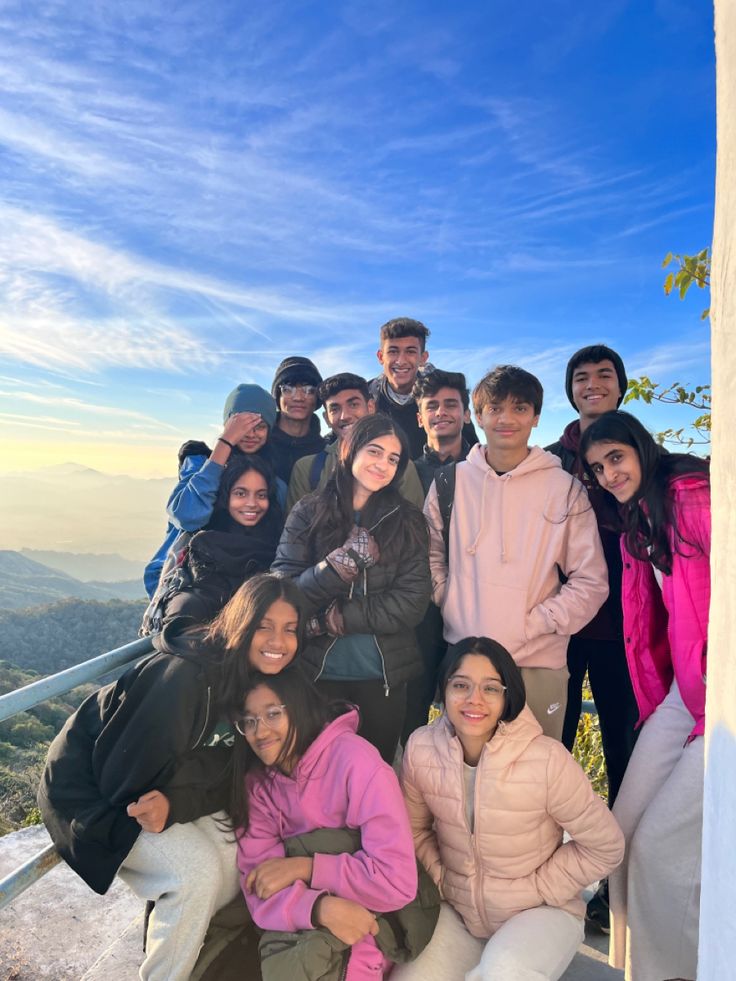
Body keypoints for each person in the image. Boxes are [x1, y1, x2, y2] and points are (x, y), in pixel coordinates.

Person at [38, 574, 304, 981]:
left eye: (290, 629)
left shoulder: (252, 679)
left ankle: (192, 956)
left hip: (156, 787)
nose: (278, 641)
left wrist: (177, 802)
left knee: (238, 856)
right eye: (264, 625)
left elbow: (233, 766)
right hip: (91, 794)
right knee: (193, 876)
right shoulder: (184, 677)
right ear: (241, 622)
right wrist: (171, 798)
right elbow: (122, 782)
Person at [392, 637, 624, 981]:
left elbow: (606, 846)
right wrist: (443, 877)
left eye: (490, 688)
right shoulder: (422, 749)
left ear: (508, 695)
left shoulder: (545, 759)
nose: (474, 699)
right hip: (459, 912)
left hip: (539, 913)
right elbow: (413, 829)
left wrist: (539, 888)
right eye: (460, 685)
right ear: (443, 690)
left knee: (505, 973)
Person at [581, 410, 709, 981]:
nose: (608, 473)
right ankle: (637, 969)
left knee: (661, 851)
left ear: (639, 447)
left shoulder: (689, 496)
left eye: (615, 457)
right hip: (686, 692)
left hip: (723, 697)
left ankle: (687, 969)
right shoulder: (639, 520)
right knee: (618, 838)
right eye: (597, 467)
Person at [424, 365, 608, 739]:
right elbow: (428, 557)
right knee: (460, 776)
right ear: (478, 416)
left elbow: (591, 581)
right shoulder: (449, 482)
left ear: (536, 416)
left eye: (520, 408)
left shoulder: (565, 490)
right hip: (464, 658)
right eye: (494, 409)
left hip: (537, 664)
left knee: (534, 781)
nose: (506, 419)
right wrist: (450, 600)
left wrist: (533, 624)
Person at [234, 668, 420, 980]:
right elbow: (259, 885)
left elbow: (397, 880)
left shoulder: (356, 763)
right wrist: (319, 908)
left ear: (300, 707)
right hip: (302, 927)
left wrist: (304, 867)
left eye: (272, 714)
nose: (260, 731)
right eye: (249, 721)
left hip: (370, 920)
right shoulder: (258, 788)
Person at [272, 414, 431, 762]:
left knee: (373, 782)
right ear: (349, 449)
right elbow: (283, 595)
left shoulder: (408, 520)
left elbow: (413, 602)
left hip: (382, 679)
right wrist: (339, 565)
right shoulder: (308, 512)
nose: (383, 465)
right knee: (313, 778)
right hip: (316, 674)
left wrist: (342, 617)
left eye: (393, 459)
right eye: (374, 451)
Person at [546, 345, 638, 808]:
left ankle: (619, 875)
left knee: (625, 746)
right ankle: (543, 856)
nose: (593, 384)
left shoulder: (641, 456)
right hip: (557, 626)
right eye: (581, 377)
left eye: (605, 374)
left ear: (620, 387)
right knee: (549, 744)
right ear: (571, 391)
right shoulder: (547, 461)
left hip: (622, 627)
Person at [144, 383, 284, 597]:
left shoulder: (274, 483)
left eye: (260, 426)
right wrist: (225, 444)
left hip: (245, 583)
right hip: (191, 581)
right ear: (227, 425)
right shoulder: (200, 466)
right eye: (241, 425)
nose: (250, 434)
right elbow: (188, 516)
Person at [141, 454, 284, 632]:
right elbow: (191, 602)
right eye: (241, 493)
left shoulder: (281, 545)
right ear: (226, 495)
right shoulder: (204, 544)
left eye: (261, 495)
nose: (252, 503)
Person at [286, 372, 425, 511]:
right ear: (327, 418)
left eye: (353, 405)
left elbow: (415, 527)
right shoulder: (306, 469)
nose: (344, 416)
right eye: (335, 409)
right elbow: (297, 530)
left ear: (370, 407)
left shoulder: (402, 468)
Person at [368, 317, 477, 459]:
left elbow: (473, 449)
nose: (401, 361)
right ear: (380, 356)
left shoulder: (447, 393)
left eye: (410, 351)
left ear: (423, 358)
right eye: (393, 351)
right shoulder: (367, 398)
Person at [412, 368, 475, 495]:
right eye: (432, 406)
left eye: (451, 405)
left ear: (467, 415)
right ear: (420, 419)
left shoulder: (484, 469)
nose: (441, 412)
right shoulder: (408, 475)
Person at [269, 356, 326, 484]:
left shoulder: (324, 453)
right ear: (278, 397)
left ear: (317, 398)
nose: (298, 398)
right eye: (288, 390)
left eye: (309, 390)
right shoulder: (257, 444)